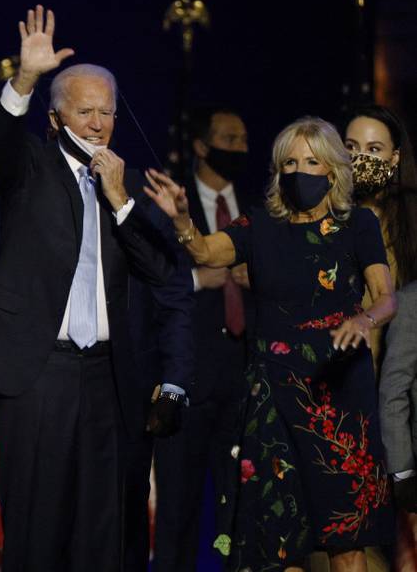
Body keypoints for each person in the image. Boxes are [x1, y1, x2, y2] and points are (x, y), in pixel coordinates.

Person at [0, 5, 189, 570]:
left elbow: (167, 278)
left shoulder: (127, 187)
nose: (99, 124)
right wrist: (27, 77)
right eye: (85, 112)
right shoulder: (28, 169)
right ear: (57, 119)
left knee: (104, 535)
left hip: (110, 381)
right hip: (39, 379)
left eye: (106, 113)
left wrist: (123, 203)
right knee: (37, 532)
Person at [145, 117, 397, 571]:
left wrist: (364, 319)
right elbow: (204, 251)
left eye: (312, 161)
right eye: (290, 162)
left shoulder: (357, 224)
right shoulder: (258, 227)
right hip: (273, 401)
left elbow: (386, 298)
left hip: (337, 399)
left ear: (333, 170)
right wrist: (182, 217)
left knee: (346, 542)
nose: (300, 171)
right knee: (279, 542)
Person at [152, 104, 255, 572]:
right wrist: (199, 279)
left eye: (243, 141)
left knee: (240, 511)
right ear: (201, 145)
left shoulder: (260, 206)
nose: (240, 149)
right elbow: (151, 279)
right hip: (188, 380)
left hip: (245, 383)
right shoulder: (170, 204)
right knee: (178, 510)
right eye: (229, 140)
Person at [343, 105, 417, 566]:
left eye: (372, 150)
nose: (360, 160)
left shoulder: (410, 224)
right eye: (350, 149)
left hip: (398, 403)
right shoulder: (319, 219)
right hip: (340, 393)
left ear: (394, 159)